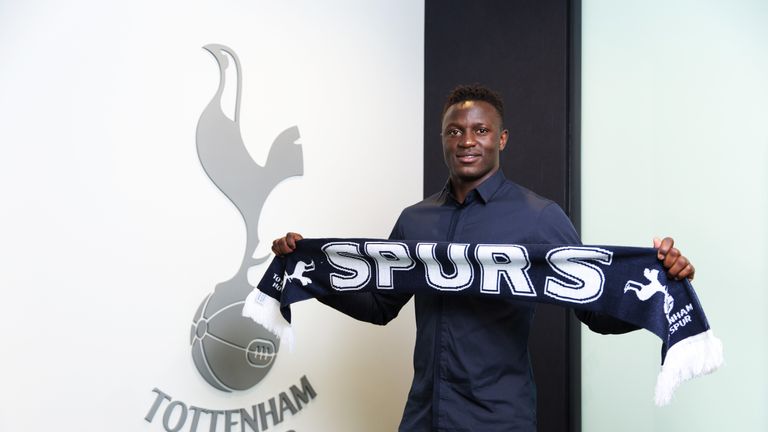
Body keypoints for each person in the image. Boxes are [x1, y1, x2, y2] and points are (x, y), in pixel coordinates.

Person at [271, 84, 694, 431]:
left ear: (501, 138)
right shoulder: (415, 220)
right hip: (423, 419)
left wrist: (663, 282)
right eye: (454, 131)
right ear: (443, 139)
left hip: (498, 421)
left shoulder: (540, 218)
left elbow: (595, 310)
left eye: (480, 130)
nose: (467, 141)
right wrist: (309, 274)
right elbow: (382, 305)